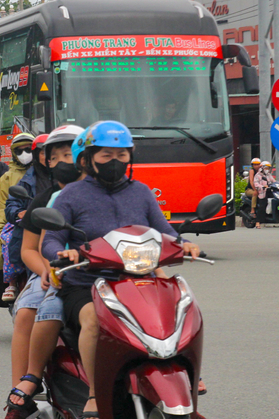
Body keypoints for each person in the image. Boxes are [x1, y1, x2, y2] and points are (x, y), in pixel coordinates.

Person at [41, 121, 201, 418]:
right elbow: (51, 240)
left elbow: (165, 230)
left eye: (121, 155)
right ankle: (93, 393)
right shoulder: (72, 195)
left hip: (138, 278)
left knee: (182, 308)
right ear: (88, 159)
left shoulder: (141, 192)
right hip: (87, 281)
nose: (115, 162)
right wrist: (63, 253)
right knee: (92, 319)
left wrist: (185, 243)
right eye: (106, 155)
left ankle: (183, 372)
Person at [5, 125, 84, 419]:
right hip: (51, 271)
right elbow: (29, 249)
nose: (67, 161)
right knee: (26, 313)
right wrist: (45, 270)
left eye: (73, 154)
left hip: (97, 270)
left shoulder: (105, 194)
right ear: (47, 161)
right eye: (59, 155)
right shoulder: (44, 200)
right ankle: (22, 387)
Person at [0, 132, 35, 324]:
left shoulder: (43, 172)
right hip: (13, 224)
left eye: (28, 150)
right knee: (1, 253)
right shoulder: (7, 177)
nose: (24, 154)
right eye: (19, 151)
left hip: (41, 224)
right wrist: (0, 230)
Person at [1, 133, 50, 302]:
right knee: (31, 304)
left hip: (63, 234)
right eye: (43, 153)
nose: (48, 157)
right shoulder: (26, 181)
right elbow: (11, 205)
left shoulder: (69, 179)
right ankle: (12, 286)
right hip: (33, 233)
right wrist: (18, 213)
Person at [254, 161, 272, 228]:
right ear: (262, 168)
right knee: (262, 206)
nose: (267, 169)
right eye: (266, 168)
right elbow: (256, 184)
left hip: (270, 192)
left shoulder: (268, 175)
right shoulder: (258, 175)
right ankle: (257, 222)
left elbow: (273, 181)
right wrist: (263, 186)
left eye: (268, 168)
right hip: (262, 192)